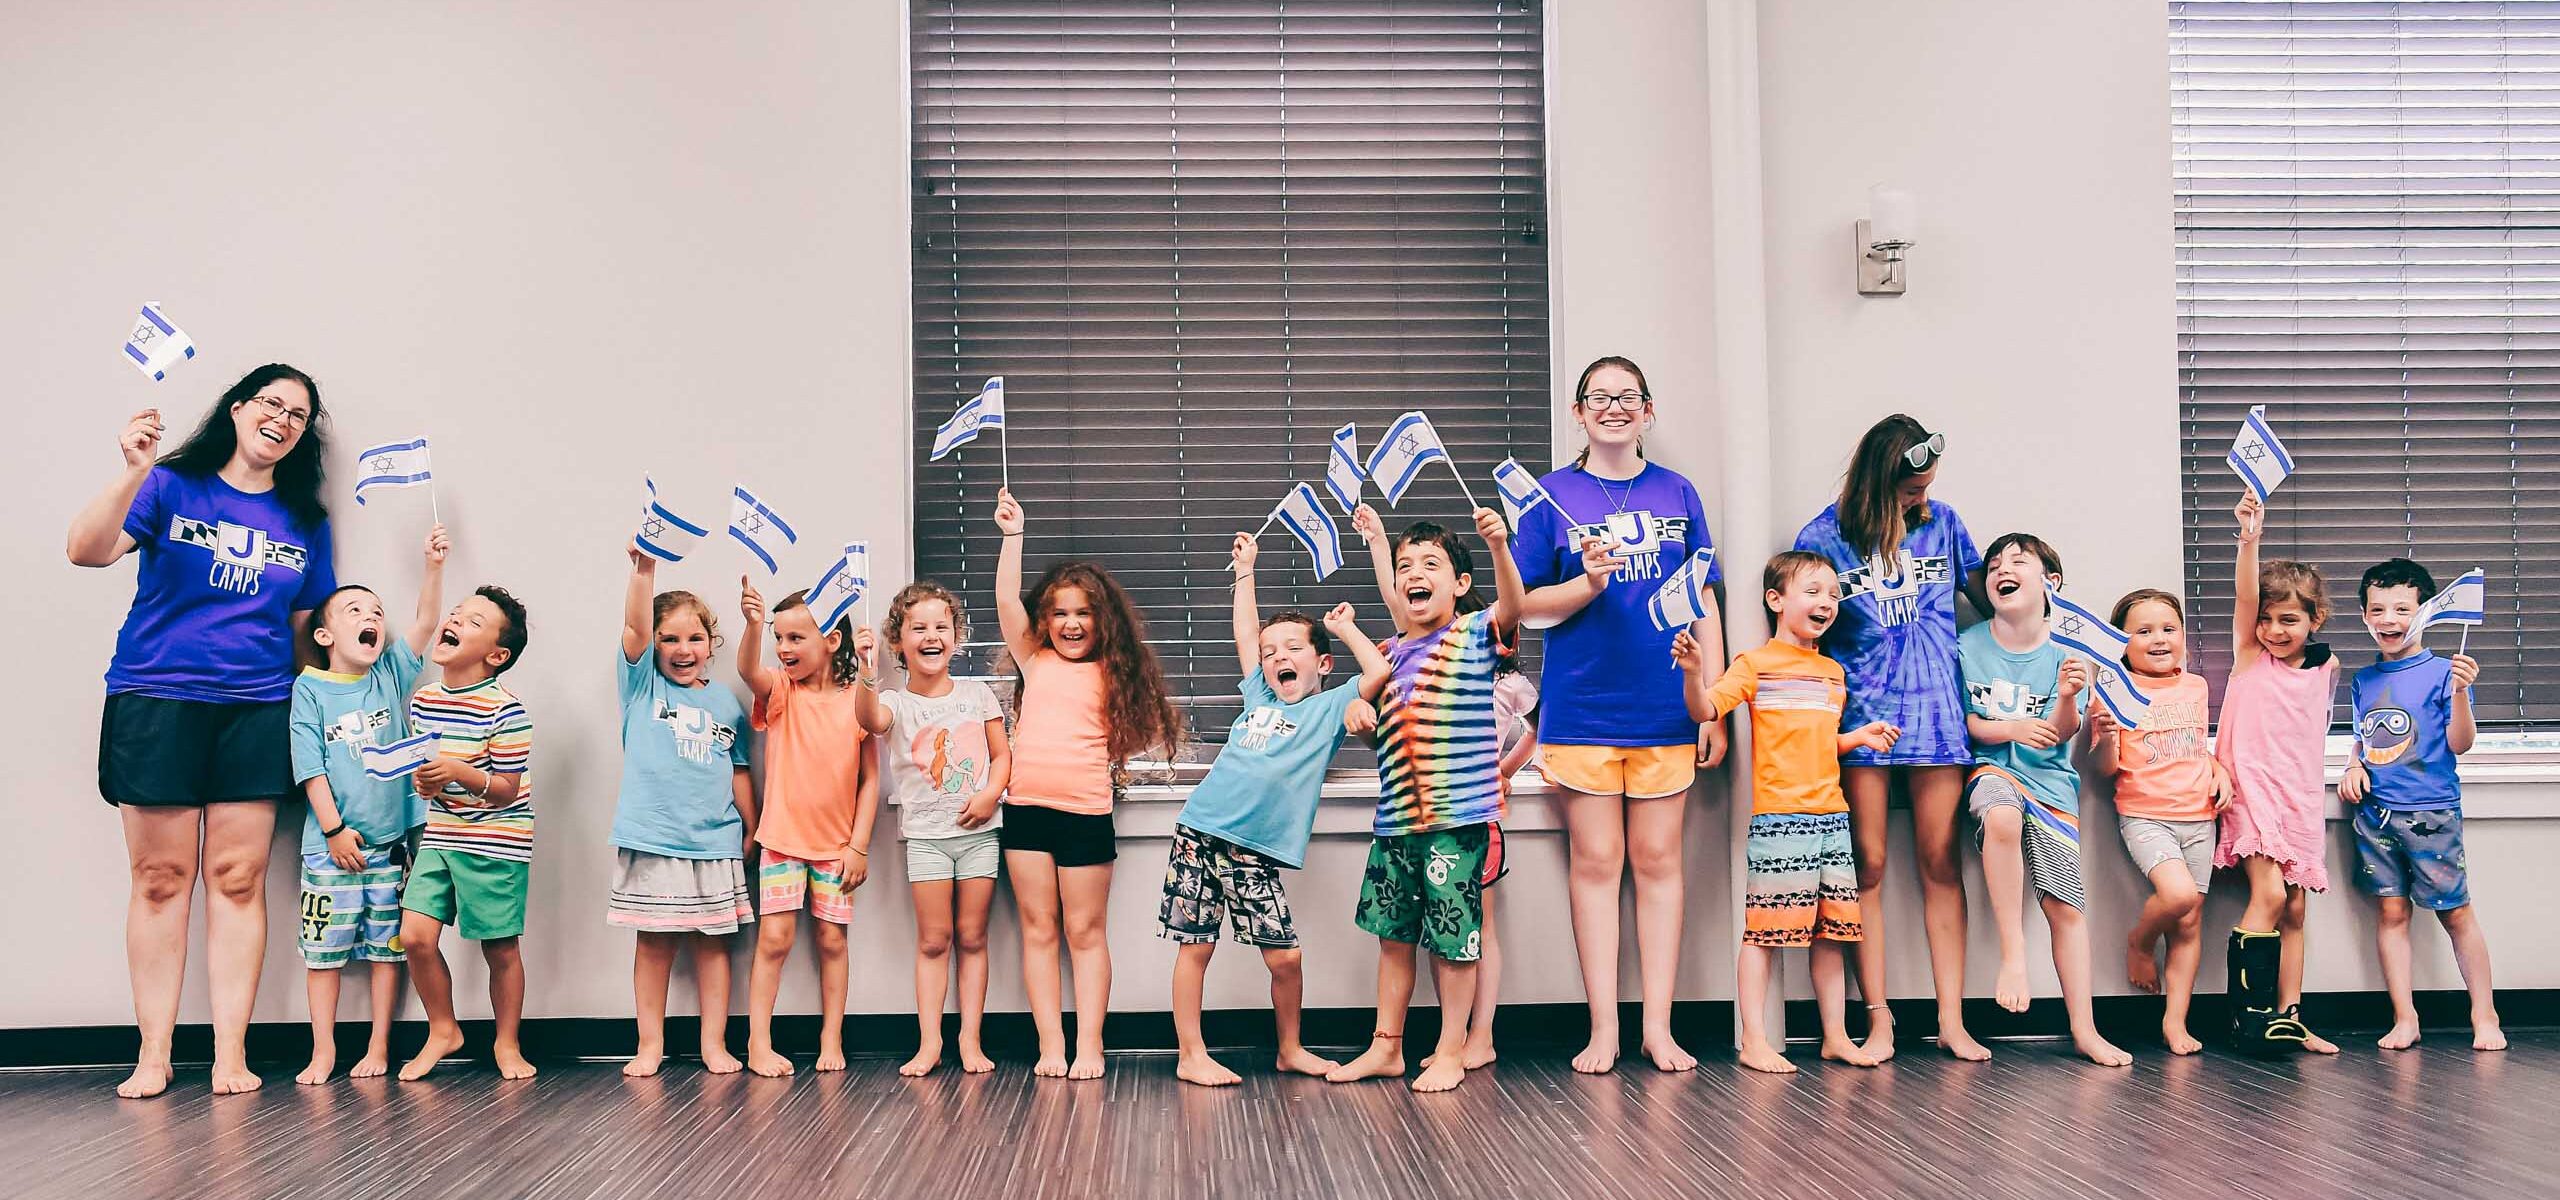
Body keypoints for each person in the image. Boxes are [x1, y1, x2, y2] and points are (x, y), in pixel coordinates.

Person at [68, 364, 339, 1097]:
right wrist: (133, 471)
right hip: (157, 699)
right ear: (239, 407)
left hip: (256, 708)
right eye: (272, 403)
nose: (283, 419)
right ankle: (154, 1054)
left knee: (237, 877)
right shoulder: (169, 484)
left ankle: (230, 1055)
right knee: (160, 880)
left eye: (298, 415)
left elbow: (304, 634)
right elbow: (84, 550)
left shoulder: (305, 521)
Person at [1509, 355, 1724, 1073]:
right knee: (1596, 865)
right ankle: (1603, 1028)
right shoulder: (1552, 495)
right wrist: (1588, 584)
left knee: (1660, 864)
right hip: (1584, 708)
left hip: (1668, 707)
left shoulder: (1677, 491)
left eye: (1627, 396)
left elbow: (1707, 597)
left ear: (1648, 410)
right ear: (1578, 413)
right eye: (1599, 397)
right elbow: (1522, 608)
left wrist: (1713, 704)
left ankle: (1658, 1028)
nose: (1613, 407)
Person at [1792, 413, 1986, 1061]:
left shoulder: (1945, 525)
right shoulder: (1825, 536)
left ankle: (1952, 1021)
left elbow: (1991, 602)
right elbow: (1803, 622)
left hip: (1938, 712)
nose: (1922, 500)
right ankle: (1878, 1019)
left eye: (1928, 487)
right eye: (1910, 491)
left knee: (1940, 863)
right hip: (1862, 716)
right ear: (1881, 481)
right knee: (1866, 867)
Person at [1163, 532, 1388, 1087]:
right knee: (1197, 946)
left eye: (1291, 649)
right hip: (1201, 830)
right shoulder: (1260, 697)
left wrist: (1345, 627)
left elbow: (1380, 673)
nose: (1277, 657)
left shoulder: (1332, 707)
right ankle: (1191, 1054)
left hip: (1254, 852)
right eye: (1270, 653)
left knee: (1284, 958)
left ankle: (1289, 1047)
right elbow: (1245, 631)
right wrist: (1245, 570)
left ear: (1323, 663)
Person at [1327, 508, 1523, 1094]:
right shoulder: (1386, 654)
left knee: (1453, 939)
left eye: (1430, 564)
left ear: (1459, 585)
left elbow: (1515, 605)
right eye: (1405, 565)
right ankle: (1386, 1047)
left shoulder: (1473, 633)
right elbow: (1380, 726)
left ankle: (1450, 1049)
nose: (1415, 573)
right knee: (1394, 937)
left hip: (1455, 821)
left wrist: (1498, 547)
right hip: (1395, 823)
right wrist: (1359, 717)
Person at [1680, 551, 1896, 1074]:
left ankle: (1835, 1036)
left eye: (1833, 594)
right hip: (1780, 819)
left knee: (1833, 933)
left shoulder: (1832, 671)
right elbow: (1706, 709)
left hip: (1832, 817)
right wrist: (1692, 672)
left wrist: (1857, 738)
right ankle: (1753, 1038)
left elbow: (1819, 742)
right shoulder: (1755, 664)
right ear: (1776, 600)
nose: (1827, 602)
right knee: (1765, 934)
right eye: (1813, 591)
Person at [991, 487, 1182, 1078]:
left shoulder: (1115, 675)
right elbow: (1005, 600)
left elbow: (1136, 733)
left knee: (1084, 931)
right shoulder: (1034, 659)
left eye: (1084, 612)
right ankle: (1051, 1045)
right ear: (1045, 620)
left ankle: (1090, 1046)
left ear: (1103, 621)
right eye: (1060, 613)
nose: (1071, 623)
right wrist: (1012, 536)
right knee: (1039, 931)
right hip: (1026, 811)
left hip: (1085, 816)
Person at [1956, 534, 2129, 1067]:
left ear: (2049, 583)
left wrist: (2072, 696)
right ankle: (2012, 956)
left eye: (2018, 562)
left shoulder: (2070, 655)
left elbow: (2063, 733)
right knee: (2001, 812)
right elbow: (1967, 722)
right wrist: (2008, 726)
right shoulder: (1967, 647)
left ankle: (2084, 1028)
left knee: (2065, 907)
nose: (2002, 570)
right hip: (1992, 772)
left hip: (2054, 790)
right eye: (1994, 565)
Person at [288, 523, 448, 1084]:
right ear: (327, 635)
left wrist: (432, 568)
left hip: (391, 847)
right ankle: (323, 1050)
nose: (370, 619)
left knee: (388, 951)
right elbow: (309, 768)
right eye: (355, 611)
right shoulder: (308, 688)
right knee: (323, 953)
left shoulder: (388, 674)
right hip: (330, 851)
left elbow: (425, 623)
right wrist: (334, 831)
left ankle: (379, 1045)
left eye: (377, 611)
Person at [2343, 558, 2502, 1052]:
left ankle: (2485, 1015)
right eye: (2377, 609)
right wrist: (2353, 766)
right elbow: (2364, 738)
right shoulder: (2363, 680)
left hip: (2433, 813)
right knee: (2391, 914)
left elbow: (2460, 743)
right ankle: (2404, 1017)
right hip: (2376, 817)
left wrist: (2460, 693)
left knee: (2455, 914)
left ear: (2424, 613)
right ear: (2365, 617)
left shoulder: (2443, 672)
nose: (2389, 619)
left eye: (2401, 609)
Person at [857, 580, 1010, 1077]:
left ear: (956, 636)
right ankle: (929, 1044)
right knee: (933, 940)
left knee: (972, 937)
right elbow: (868, 719)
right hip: (926, 839)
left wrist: (990, 796)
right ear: (898, 641)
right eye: (918, 627)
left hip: (979, 838)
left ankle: (970, 1041)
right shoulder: (896, 704)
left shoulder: (977, 693)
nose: (931, 635)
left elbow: (1003, 756)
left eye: (941, 626)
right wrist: (865, 673)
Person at [2214, 496, 2340, 1055]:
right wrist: (2249, 539)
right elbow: (2246, 596)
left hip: (2299, 796)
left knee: (2294, 905)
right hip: (2251, 792)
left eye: (2288, 619)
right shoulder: (2249, 655)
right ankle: (2250, 1016)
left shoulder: (2328, 667)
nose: (2272, 629)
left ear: (2315, 620)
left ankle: (2290, 1015)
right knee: (2267, 893)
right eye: (2266, 618)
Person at [738, 579, 878, 1077]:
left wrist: (858, 846)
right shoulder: (780, 692)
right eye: (779, 637)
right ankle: (759, 1043)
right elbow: (748, 669)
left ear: (831, 641)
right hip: (781, 842)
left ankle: (831, 1037)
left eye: (795, 638)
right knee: (774, 940)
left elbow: (871, 779)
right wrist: (754, 626)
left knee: (833, 943)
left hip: (836, 848)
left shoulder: (854, 703)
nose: (784, 648)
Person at [398, 585, 536, 1080]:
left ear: (497, 655)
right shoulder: (423, 700)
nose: (454, 619)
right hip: (441, 835)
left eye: (473, 620)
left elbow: (503, 790)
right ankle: (443, 1029)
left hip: (497, 840)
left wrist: (456, 769)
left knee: (499, 947)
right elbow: (428, 775)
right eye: (457, 613)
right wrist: (427, 778)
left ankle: (507, 1043)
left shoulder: (507, 709)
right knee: (415, 936)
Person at [2086, 588, 2225, 1057]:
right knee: (2178, 896)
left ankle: (2174, 1020)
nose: (2159, 639)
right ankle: (2138, 942)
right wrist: (2104, 737)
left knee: (2189, 922)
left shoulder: (2196, 686)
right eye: (2143, 631)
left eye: (2168, 629)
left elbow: (2196, 746)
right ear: (2122, 642)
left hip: (2200, 816)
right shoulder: (2113, 691)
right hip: (2146, 815)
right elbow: (2106, 769)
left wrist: (2219, 768)